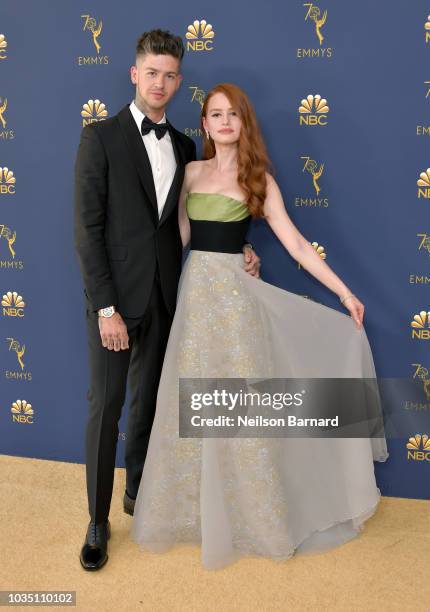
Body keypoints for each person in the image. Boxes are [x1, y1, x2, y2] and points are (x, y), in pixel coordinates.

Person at [130, 83, 389, 570]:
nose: (225, 122)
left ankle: (255, 519)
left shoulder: (259, 179)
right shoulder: (189, 174)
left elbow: (296, 245)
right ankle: (196, 513)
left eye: (233, 114)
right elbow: (176, 241)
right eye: (215, 114)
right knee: (193, 403)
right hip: (195, 302)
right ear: (203, 125)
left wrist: (345, 293)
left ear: (244, 123)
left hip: (237, 306)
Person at [74, 33, 260, 571]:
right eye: (151, 72)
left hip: (166, 297)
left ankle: (139, 494)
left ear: (180, 82)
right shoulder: (100, 137)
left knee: (149, 408)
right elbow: (87, 231)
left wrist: (239, 244)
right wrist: (105, 309)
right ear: (135, 75)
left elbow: (198, 219)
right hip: (114, 304)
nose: (160, 83)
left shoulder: (183, 146)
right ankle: (97, 520)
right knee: (106, 410)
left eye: (170, 75)